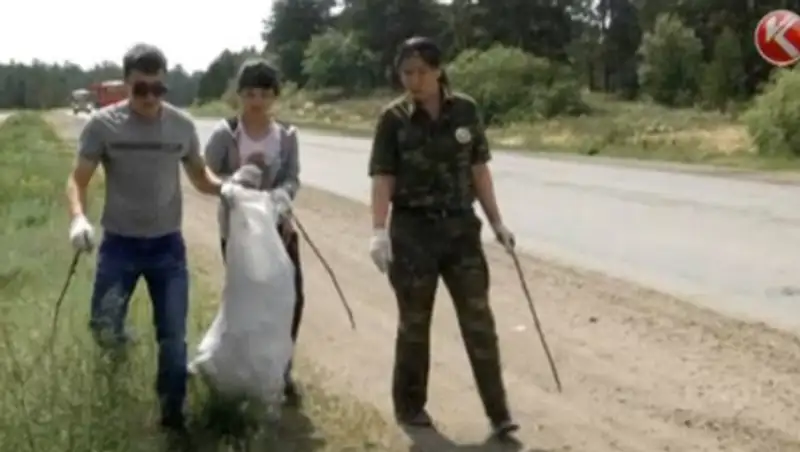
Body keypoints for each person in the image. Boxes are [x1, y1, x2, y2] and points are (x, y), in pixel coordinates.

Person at [65, 43, 230, 432]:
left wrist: (232, 189)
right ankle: (112, 402)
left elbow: (201, 177)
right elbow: (78, 179)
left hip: (167, 249)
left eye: (159, 90)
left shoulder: (181, 126)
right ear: (126, 85)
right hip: (119, 247)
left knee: (173, 337)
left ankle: (173, 414)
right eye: (142, 89)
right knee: (105, 329)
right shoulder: (102, 125)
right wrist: (77, 218)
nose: (151, 98)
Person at [367, 36, 519, 438]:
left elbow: (479, 171)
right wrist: (378, 231)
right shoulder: (393, 119)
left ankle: (499, 412)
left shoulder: (465, 111)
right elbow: (384, 177)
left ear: (438, 71)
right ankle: (411, 407)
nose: (413, 80)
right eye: (406, 73)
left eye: (420, 71)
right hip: (412, 232)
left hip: (460, 230)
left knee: (479, 320)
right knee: (414, 323)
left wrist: (498, 222)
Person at [203, 58, 304, 406]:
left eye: (263, 93)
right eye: (249, 93)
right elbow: (205, 174)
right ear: (238, 95)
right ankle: (240, 370)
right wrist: (231, 184)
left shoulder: (287, 136)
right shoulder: (225, 133)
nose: (256, 101)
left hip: (278, 229)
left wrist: (283, 196)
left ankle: (280, 369)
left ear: (275, 96)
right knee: (246, 297)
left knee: (290, 296)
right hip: (239, 232)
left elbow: (293, 176)